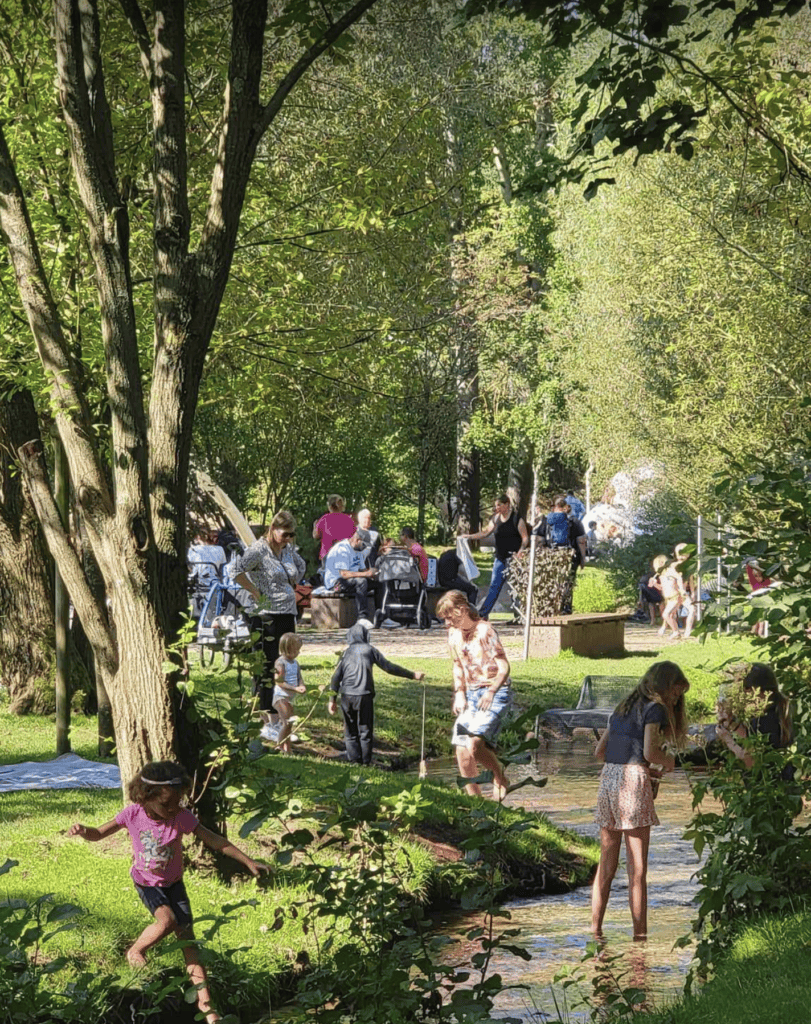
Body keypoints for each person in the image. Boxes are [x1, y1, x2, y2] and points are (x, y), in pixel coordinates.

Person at [68, 760, 266, 1023]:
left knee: (188, 941)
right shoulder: (132, 814)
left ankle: (206, 1006)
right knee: (167, 920)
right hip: (147, 883)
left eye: (178, 802)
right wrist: (84, 831)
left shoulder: (181, 816)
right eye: (166, 804)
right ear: (144, 796)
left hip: (174, 884)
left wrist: (248, 861)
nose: (173, 808)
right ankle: (135, 951)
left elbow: (214, 840)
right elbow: (99, 833)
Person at [591, 662, 690, 942]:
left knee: (606, 866)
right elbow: (650, 750)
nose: (676, 699)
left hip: (609, 779)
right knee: (637, 869)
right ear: (663, 686)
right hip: (633, 785)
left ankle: (595, 932)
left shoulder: (622, 708)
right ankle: (640, 938)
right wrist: (671, 763)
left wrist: (643, 765)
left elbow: (600, 752)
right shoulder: (654, 708)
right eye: (675, 692)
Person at [437, 590, 512, 801]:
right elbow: (457, 665)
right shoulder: (453, 634)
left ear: (462, 610)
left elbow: (504, 667)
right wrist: (459, 693)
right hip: (470, 694)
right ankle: (475, 802)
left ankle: (499, 777)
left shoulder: (485, 631)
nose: (447, 623)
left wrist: (490, 692)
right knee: (461, 749)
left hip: (494, 692)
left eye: (449, 617)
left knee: (474, 744)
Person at [230, 510, 305, 710]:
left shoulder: (288, 550)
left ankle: (281, 709)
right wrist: (254, 590)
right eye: (285, 534)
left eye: (291, 535)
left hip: (288, 612)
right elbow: (235, 571)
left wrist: (292, 582)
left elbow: (301, 565)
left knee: (286, 661)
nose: (288, 539)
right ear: (273, 529)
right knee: (267, 665)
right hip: (266, 614)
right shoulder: (258, 550)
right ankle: (265, 710)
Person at [327, 623, 425, 764]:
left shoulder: (345, 653)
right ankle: (366, 763)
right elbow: (389, 667)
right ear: (366, 636)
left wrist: (332, 699)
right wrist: (412, 675)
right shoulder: (370, 650)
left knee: (350, 731)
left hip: (346, 695)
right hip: (364, 695)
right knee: (365, 730)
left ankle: (354, 762)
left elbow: (336, 677)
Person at [716, 663, 794, 779]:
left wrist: (728, 740)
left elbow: (752, 763)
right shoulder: (774, 711)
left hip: (769, 790)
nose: (741, 697)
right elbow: (753, 740)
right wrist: (733, 725)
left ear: (755, 691)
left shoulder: (766, 721)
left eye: (743, 691)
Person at [461, 494, 528, 619]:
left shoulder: (516, 519)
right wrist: (469, 537)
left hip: (514, 559)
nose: (496, 507)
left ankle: (519, 616)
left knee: (516, 588)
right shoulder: (495, 519)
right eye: (495, 505)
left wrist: (521, 550)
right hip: (500, 558)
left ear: (507, 505)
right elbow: (486, 532)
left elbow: (525, 538)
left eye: (499, 505)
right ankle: (482, 614)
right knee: (494, 587)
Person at [323, 527, 377, 622]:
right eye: (364, 544)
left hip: (351, 579)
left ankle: (381, 615)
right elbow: (344, 574)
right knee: (361, 581)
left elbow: (362, 570)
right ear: (357, 540)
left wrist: (372, 572)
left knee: (379, 583)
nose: (365, 548)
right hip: (336, 582)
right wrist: (366, 574)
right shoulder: (342, 549)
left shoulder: (358, 551)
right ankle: (362, 617)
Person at [272, 632, 306, 753]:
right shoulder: (280, 663)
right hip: (280, 697)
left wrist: (301, 685)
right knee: (286, 723)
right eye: (297, 650)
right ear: (288, 649)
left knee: (290, 723)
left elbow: (299, 677)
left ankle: (288, 748)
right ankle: (279, 746)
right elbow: (278, 681)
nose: (298, 652)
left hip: (289, 697)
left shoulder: (295, 663)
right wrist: (294, 688)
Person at [312, 495, 356, 564]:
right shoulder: (349, 520)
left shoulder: (324, 519)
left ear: (330, 506)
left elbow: (316, 535)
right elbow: (354, 537)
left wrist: (314, 526)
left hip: (328, 554)